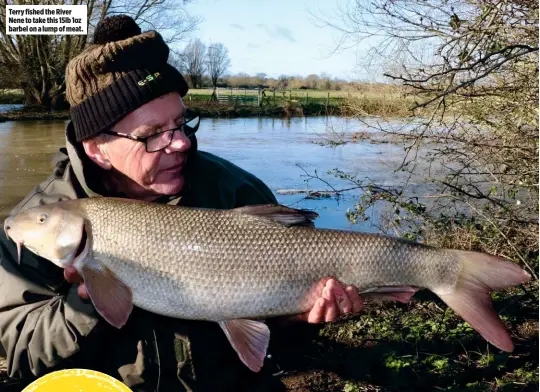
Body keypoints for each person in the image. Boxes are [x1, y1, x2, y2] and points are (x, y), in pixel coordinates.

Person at [0, 15, 363, 392]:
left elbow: (277, 334)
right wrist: (86, 303)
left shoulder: (233, 191)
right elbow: (23, 351)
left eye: (181, 122)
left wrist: (299, 318)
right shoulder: (39, 221)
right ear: (97, 149)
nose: (181, 143)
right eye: (152, 134)